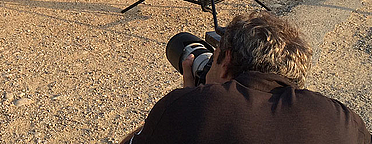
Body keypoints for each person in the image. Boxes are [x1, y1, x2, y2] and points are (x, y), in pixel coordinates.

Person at [120, 11, 371, 144]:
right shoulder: (342, 119)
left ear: (226, 62)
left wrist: (189, 97)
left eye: (213, 60)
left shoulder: (191, 108)